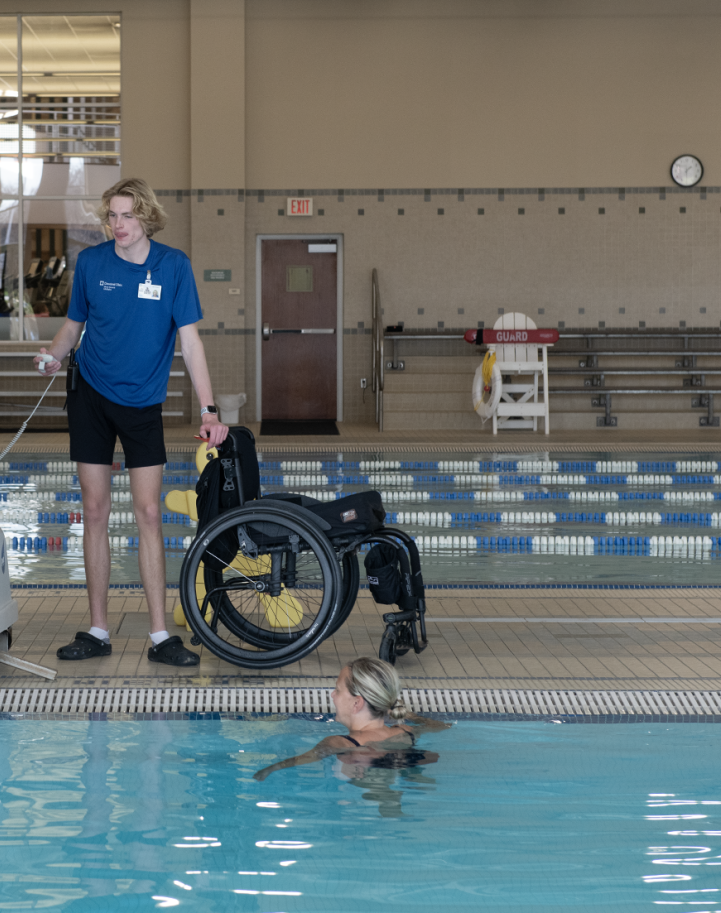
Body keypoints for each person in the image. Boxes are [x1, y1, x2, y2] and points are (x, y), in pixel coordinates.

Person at [35, 178, 230, 666]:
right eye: (111, 216)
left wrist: (210, 410)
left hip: (143, 403)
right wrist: (54, 355)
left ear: (146, 217)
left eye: (126, 215)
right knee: (95, 511)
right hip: (91, 397)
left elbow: (191, 344)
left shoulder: (173, 267)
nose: (117, 225)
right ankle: (98, 629)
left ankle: (161, 635)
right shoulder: (93, 263)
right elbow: (73, 324)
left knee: (148, 514)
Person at [254, 657, 448, 782]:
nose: (332, 695)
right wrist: (411, 716)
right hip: (397, 763)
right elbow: (442, 727)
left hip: (363, 768)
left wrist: (269, 769)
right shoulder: (406, 731)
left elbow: (301, 760)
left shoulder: (338, 742)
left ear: (357, 703)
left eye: (338, 690)